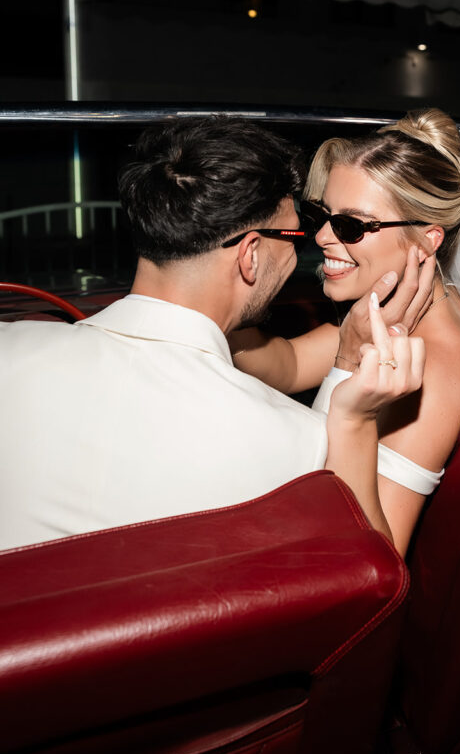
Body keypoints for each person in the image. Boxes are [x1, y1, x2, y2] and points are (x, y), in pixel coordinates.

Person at [0, 116, 425, 552]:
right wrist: (354, 420)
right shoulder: (297, 447)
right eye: (295, 233)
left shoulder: (7, 351)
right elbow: (366, 581)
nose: (313, 243)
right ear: (250, 255)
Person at [229, 108, 460, 556]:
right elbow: (288, 364)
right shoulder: (393, 313)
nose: (322, 238)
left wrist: (345, 373)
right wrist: (214, 312)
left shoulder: (440, 364)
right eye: (325, 216)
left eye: (351, 226)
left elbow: (375, 553)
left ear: (429, 238)